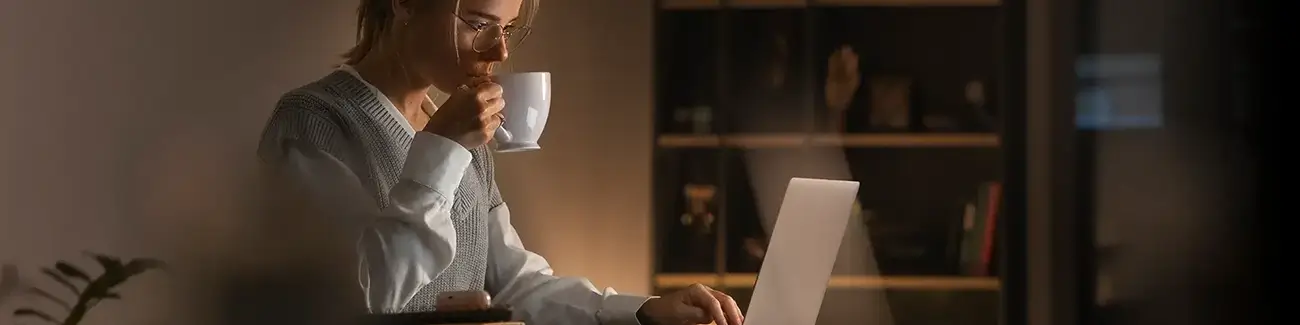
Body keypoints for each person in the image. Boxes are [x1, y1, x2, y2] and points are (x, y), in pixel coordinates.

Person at [255, 1, 744, 325]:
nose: (500, 50)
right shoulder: (312, 123)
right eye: (479, 23)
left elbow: (516, 284)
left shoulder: (461, 134)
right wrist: (442, 147)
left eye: (507, 28)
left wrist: (644, 312)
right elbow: (360, 297)